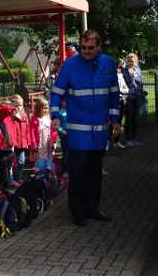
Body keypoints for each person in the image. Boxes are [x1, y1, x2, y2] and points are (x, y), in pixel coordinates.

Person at [50, 29, 121, 226]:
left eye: (91, 48)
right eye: (83, 47)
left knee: (95, 175)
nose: (86, 51)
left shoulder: (108, 63)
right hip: (78, 133)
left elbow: (114, 94)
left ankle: (93, 208)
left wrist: (115, 120)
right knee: (78, 174)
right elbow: (56, 92)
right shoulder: (70, 65)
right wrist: (55, 115)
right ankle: (78, 213)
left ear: (99, 47)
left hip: (99, 134)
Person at [122, 52, 145, 147]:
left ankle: (134, 139)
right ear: (127, 61)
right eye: (129, 61)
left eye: (133, 61)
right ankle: (128, 139)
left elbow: (140, 82)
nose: (131, 63)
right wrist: (132, 77)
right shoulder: (125, 71)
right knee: (129, 118)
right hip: (128, 97)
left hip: (137, 96)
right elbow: (128, 84)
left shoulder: (138, 70)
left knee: (135, 119)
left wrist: (142, 92)